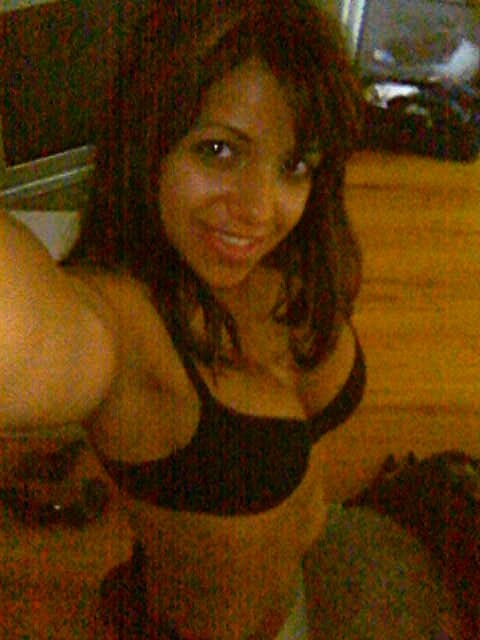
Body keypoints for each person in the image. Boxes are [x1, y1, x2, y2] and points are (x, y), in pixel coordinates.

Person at [2, 1, 451, 638]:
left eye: (293, 164)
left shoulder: (297, 257)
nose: (260, 211)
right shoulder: (119, 324)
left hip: (301, 577)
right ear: (149, 140)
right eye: (218, 150)